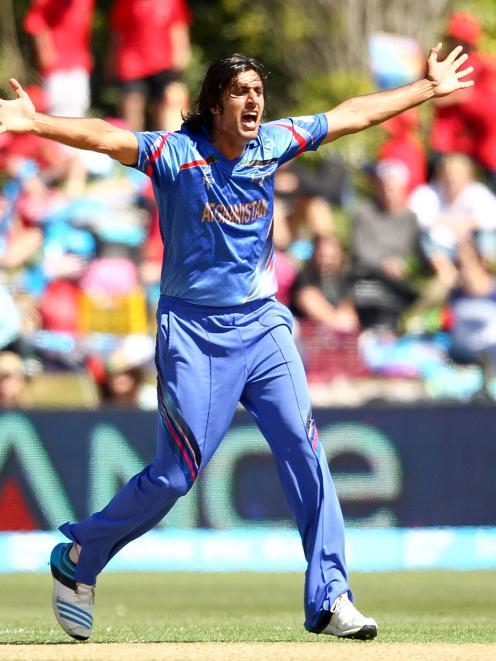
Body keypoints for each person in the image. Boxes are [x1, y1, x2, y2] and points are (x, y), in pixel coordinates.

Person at [0, 43, 473, 642]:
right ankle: (79, 557)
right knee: (175, 476)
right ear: (214, 104)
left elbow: (352, 113)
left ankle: (331, 596)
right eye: (240, 92)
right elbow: (102, 136)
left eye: (258, 91)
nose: (254, 101)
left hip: (263, 326)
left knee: (306, 451)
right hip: (193, 333)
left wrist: (425, 90)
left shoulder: (272, 143)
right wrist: (35, 121)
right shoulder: (176, 156)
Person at [349, 158, 419, 331]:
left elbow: (413, 252)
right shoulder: (364, 212)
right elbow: (361, 250)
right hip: (368, 277)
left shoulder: (410, 218)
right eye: (383, 186)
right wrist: (384, 263)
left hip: (400, 279)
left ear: (402, 188)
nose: (387, 192)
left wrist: (402, 264)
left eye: (392, 187)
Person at [108, 0, 192, 131]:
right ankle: (134, 148)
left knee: (168, 108)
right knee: (132, 109)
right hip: (132, 64)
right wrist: (112, 62)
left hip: (163, 62)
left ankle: (168, 147)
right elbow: (118, 33)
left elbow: (178, 27)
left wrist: (181, 53)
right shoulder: (125, 3)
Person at [23, 0, 95, 118]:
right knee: (56, 113)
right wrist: (44, 52)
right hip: (56, 66)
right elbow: (36, 23)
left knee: (79, 109)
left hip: (79, 64)